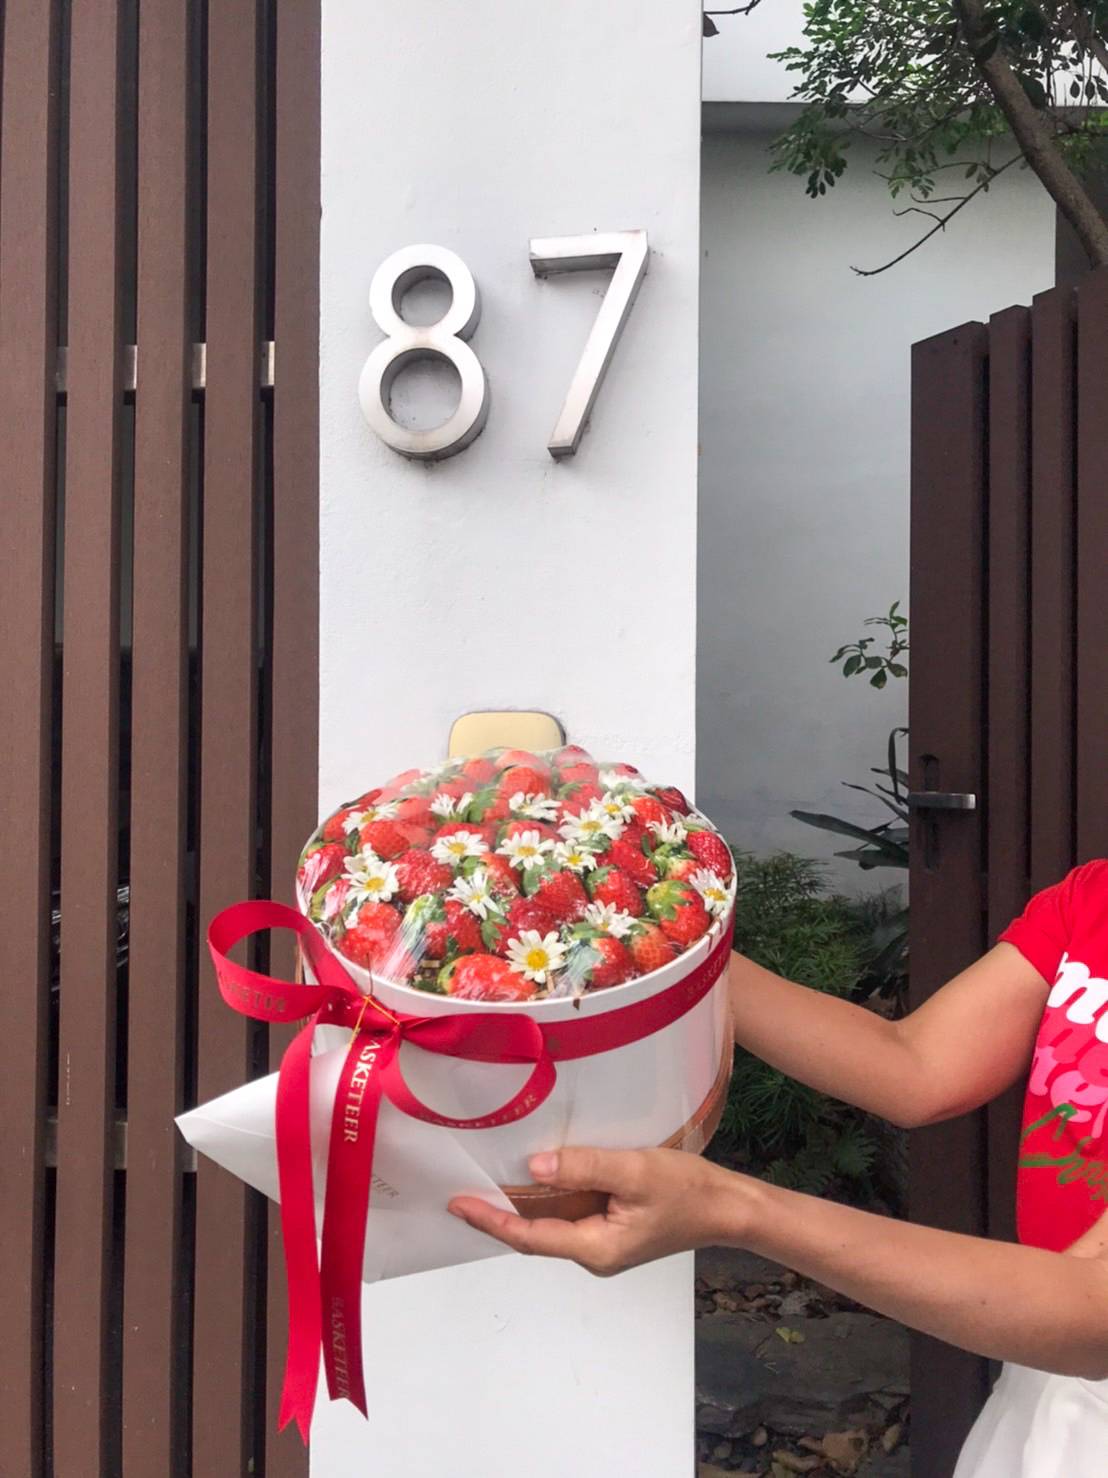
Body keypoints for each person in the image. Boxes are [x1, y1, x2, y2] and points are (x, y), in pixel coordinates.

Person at [449, 860, 1108, 1476]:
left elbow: (1091, 1310)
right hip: (1044, 1374)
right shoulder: (1093, 897)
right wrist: (651, 945)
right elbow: (917, 1065)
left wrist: (735, 1207)